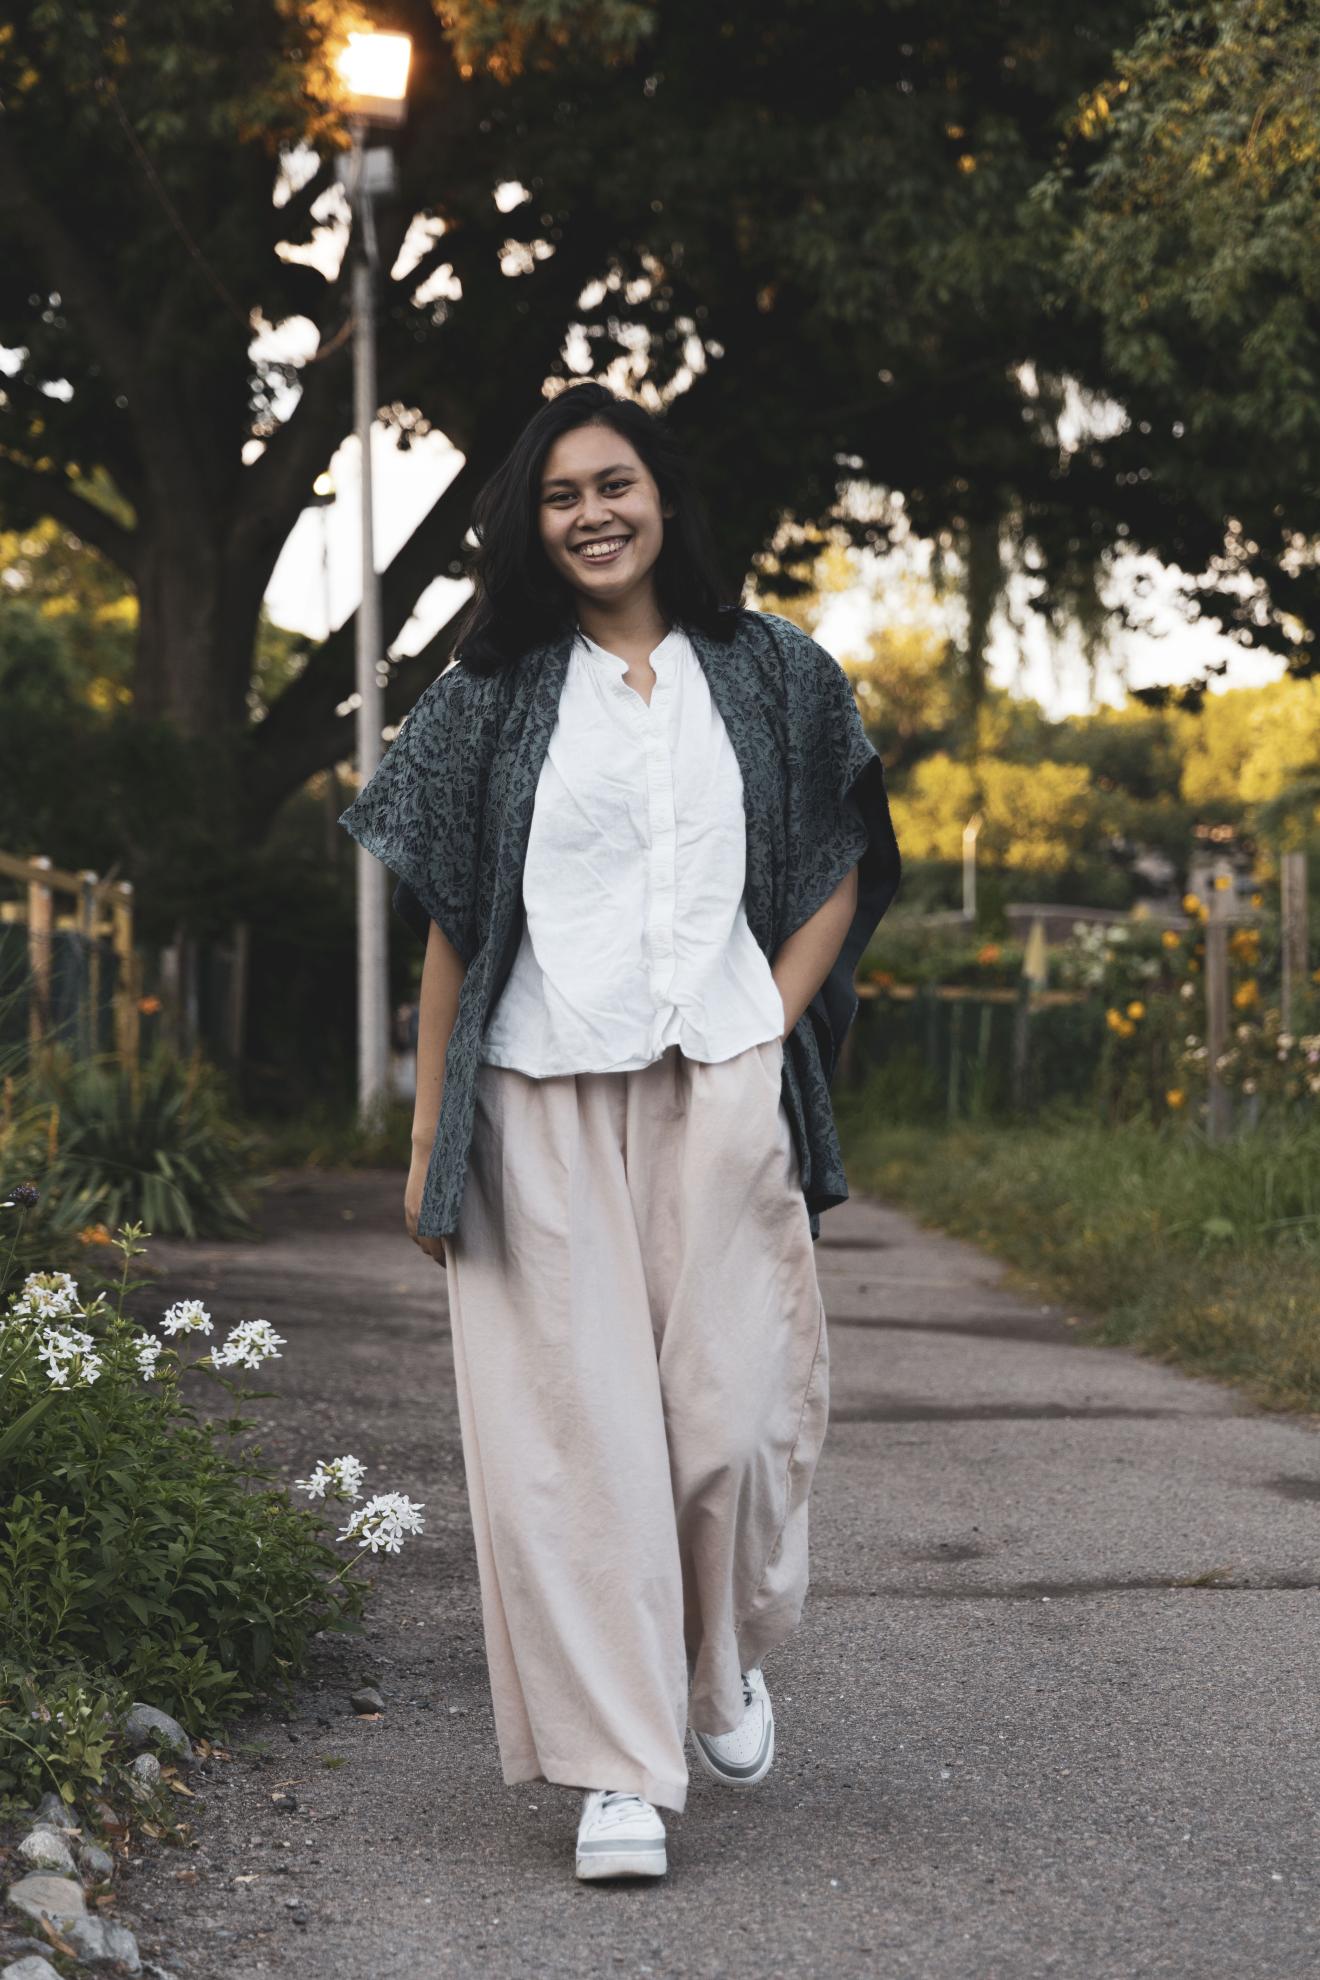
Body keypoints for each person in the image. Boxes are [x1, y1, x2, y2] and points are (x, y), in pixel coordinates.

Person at [338, 381, 901, 1882]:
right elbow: (458, 920)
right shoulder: (494, 690)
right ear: (532, 525)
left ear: (661, 497)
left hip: (718, 1081)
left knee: (726, 1421)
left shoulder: (771, 670)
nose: (592, 512)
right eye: (560, 495)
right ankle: (617, 1775)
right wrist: (423, 1134)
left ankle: (717, 1668)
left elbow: (844, 846)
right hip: (534, 1094)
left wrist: (767, 1020)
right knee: (570, 1448)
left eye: (615, 482)